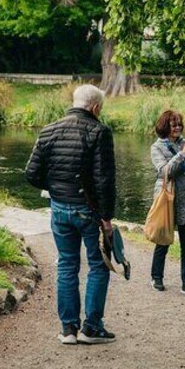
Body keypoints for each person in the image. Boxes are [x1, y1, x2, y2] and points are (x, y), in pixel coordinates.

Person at [25, 84, 117, 345]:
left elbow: (31, 174)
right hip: (88, 211)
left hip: (59, 209)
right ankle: (92, 328)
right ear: (95, 107)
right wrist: (107, 218)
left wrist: (55, 187)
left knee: (67, 265)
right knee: (99, 265)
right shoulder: (99, 131)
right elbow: (104, 180)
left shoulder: (48, 130)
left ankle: (68, 330)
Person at [150, 110, 185, 296]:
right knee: (163, 240)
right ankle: (156, 277)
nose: (178, 128)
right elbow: (165, 171)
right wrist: (182, 153)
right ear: (165, 126)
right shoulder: (156, 148)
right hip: (167, 198)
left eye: (180, 124)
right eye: (174, 124)